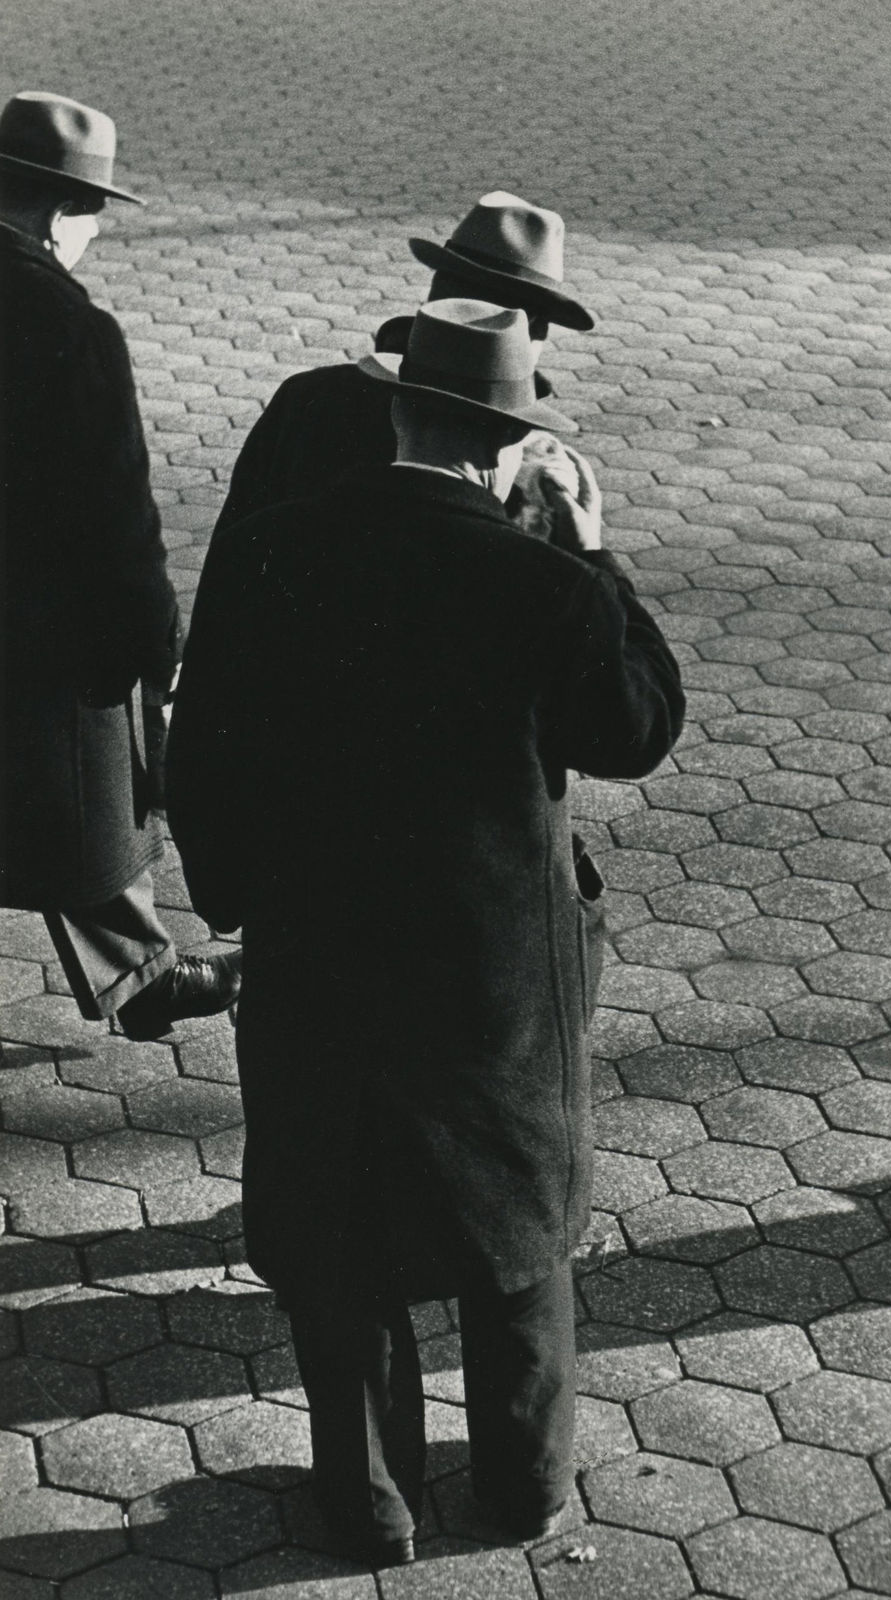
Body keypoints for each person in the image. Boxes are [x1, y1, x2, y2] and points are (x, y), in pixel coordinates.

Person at [166, 299, 685, 1568]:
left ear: (397, 408)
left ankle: (369, 1503)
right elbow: (638, 728)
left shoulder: (276, 548)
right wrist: (598, 555)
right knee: (515, 1234)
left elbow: (202, 749)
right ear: (509, 446)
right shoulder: (540, 580)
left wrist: (236, 898)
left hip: (320, 949)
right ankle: (522, 1485)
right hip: (494, 970)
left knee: (337, 1229)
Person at [0, 90, 241, 1040]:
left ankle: (140, 974)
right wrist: (158, 644)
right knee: (78, 815)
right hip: (35, 652)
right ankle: (142, 978)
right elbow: (115, 520)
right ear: (64, 212)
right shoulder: (68, 332)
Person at [213, 191, 595, 531]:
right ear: (533, 331)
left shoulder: (306, 396)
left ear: (434, 295)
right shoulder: (522, 460)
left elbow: (234, 544)